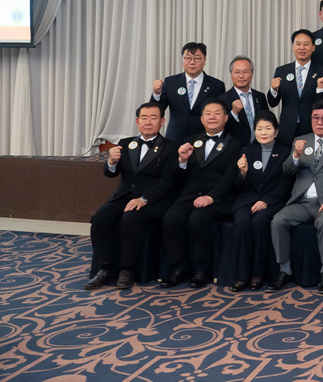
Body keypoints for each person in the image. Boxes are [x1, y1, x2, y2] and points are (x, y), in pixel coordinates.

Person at [85, 103, 179, 291]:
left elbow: (167, 181)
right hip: (124, 197)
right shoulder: (125, 143)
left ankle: (126, 270)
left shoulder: (171, 147)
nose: (148, 122)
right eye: (144, 118)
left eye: (153, 118)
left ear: (162, 122)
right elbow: (110, 173)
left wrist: (144, 199)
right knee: (100, 217)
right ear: (137, 121)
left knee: (130, 219)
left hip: (153, 201)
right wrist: (111, 161)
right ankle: (105, 268)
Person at [266, 101, 323, 293]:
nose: (319, 122)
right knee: (278, 220)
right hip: (301, 201)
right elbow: (287, 171)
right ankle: (285, 270)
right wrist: (296, 154)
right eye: (315, 118)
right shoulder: (300, 140)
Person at [161, 99, 244, 289]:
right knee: (171, 219)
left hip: (218, 197)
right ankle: (179, 267)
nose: (212, 117)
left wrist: (211, 197)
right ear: (201, 119)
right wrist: (182, 160)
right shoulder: (191, 141)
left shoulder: (235, 143)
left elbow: (231, 176)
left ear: (226, 118)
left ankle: (201, 269)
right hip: (190, 195)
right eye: (208, 113)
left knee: (198, 219)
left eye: (217, 113)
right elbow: (176, 175)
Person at [228, 111, 292, 292]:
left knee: (260, 222)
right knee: (241, 222)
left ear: (276, 131)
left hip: (272, 201)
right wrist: (243, 173)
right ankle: (242, 276)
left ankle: (257, 274)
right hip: (246, 200)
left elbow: (286, 184)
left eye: (268, 128)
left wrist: (266, 201)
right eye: (259, 128)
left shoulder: (285, 152)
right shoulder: (246, 151)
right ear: (254, 131)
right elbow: (239, 186)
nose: (263, 132)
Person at [151, 42, 226, 144]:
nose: (192, 62)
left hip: (203, 140)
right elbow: (156, 111)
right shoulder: (171, 82)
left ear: (204, 60)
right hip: (174, 139)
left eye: (197, 58)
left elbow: (220, 115)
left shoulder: (216, 85)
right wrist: (156, 93)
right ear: (183, 60)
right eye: (188, 58)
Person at [268, 29, 323, 146]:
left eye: (306, 44)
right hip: (286, 129)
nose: (302, 48)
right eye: (298, 44)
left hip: (310, 128)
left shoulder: (322, 72)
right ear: (293, 46)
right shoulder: (282, 71)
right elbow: (272, 103)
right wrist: (273, 89)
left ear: (313, 47)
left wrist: (319, 89)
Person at [219, 55, 269, 145]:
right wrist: (234, 113)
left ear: (252, 74)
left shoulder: (260, 96)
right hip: (235, 148)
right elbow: (220, 128)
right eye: (237, 72)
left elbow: (267, 121)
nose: (241, 76)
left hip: (259, 146)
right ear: (231, 74)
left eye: (245, 72)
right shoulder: (222, 99)